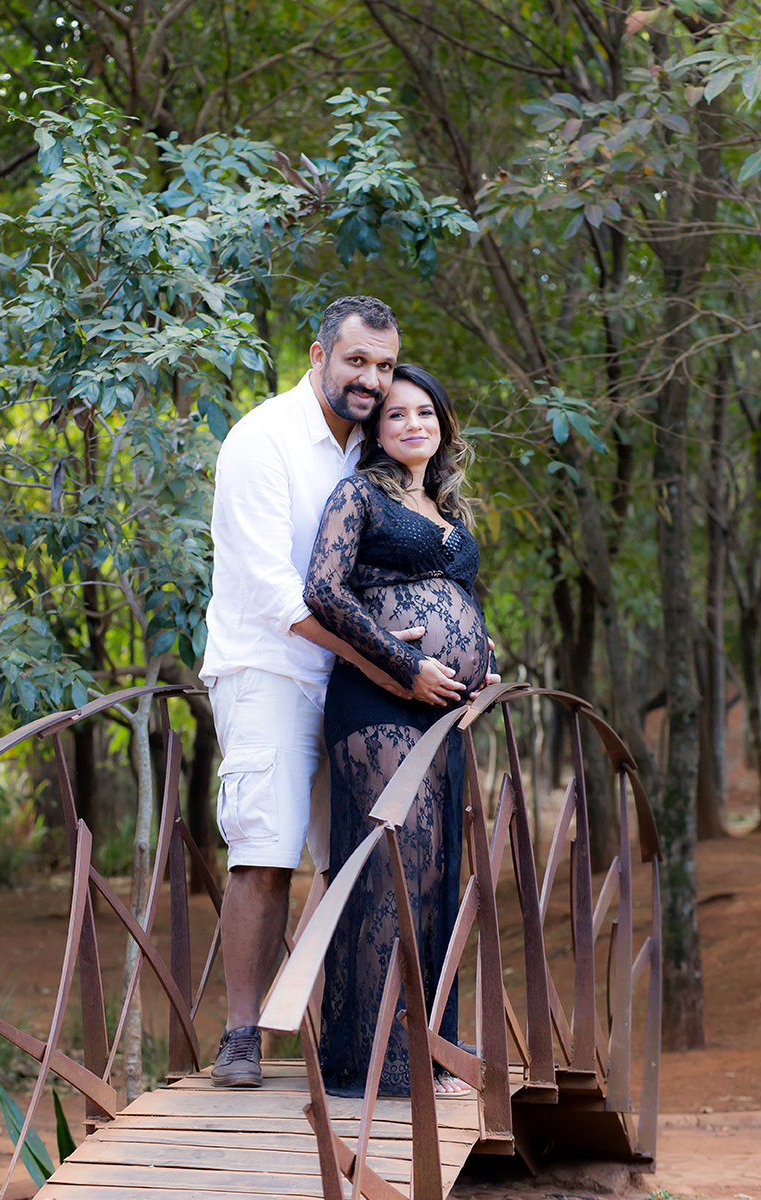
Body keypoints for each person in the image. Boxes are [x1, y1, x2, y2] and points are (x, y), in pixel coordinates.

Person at [199, 298, 464, 1089]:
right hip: (271, 669)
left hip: (355, 684)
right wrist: (389, 662)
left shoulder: (369, 450)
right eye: (358, 363)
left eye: (385, 366)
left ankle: (346, 1033)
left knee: (358, 854)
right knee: (266, 848)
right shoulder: (262, 441)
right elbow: (283, 597)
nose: (373, 380)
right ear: (318, 354)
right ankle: (243, 1035)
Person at [304, 363, 493, 1097]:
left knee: (436, 874)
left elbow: (458, 600)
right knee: (396, 874)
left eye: (426, 413)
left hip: (440, 714)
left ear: (442, 423)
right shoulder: (359, 494)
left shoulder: (444, 506)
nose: (413, 424)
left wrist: (487, 659)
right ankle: (385, 1060)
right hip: (379, 706)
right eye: (396, 415)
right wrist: (399, 656)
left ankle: (425, 1038)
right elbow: (323, 588)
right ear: (375, 432)